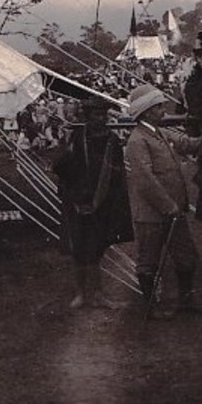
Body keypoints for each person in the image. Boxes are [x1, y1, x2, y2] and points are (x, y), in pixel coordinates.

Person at [122, 84, 202, 319]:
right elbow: (145, 181)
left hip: (174, 211)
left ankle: (186, 301)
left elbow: (188, 143)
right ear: (146, 111)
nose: (163, 111)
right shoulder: (138, 141)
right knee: (149, 261)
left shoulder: (159, 133)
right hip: (152, 214)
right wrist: (168, 206)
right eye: (158, 107)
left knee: (187, 256)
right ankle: (151, 306)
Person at [51, 96, 131, 309]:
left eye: (104, 115)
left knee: (97, 248)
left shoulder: (112, 140)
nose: (101, 119)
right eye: (96, 115)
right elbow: (60, 167)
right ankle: (80, 293)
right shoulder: (76, 137)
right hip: (77, 199)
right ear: (87, 117)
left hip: (102, 200)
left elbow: (118, 171)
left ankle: (97, 294)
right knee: (78, 247)